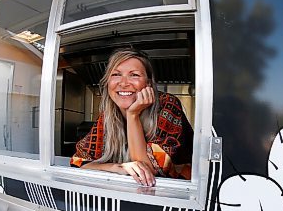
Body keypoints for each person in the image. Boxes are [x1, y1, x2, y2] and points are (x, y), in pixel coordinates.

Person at [70, 48, 193, 186]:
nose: (123, 83)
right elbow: (78, 161)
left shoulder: (167, 104)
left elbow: (148, 171)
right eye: (116, 74)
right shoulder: (108, 116)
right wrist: (116, 167)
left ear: (148, 84)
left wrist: (132, 114)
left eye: (134, 75)